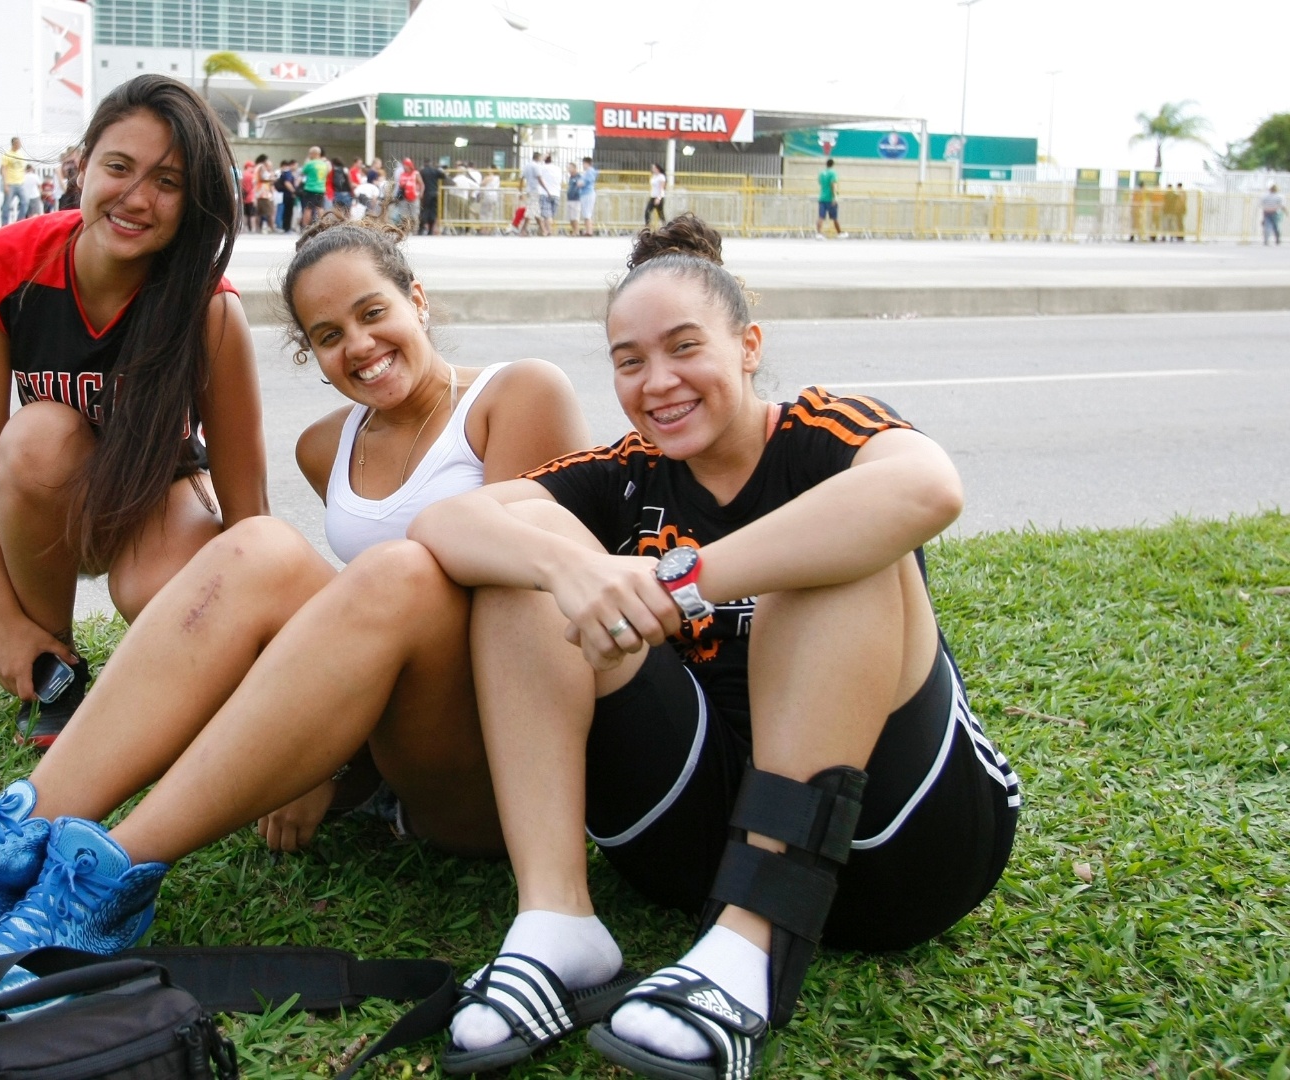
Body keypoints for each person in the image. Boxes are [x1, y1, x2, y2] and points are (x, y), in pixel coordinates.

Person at [0, 211, 591, 1019]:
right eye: (328, 335)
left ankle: (102, 891)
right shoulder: (329, 444)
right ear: (311, 358)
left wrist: (319, 755)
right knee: (259, 546)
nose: (358, 346)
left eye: (371, 312)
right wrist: (321, 753)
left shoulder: (518, 393)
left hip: (498, 764)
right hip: (396, 740)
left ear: (417, 299)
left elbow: (523, 606)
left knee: (402, 570)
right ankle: (4, 840)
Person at [413, 214, 1018, 1077]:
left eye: (684, 347)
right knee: (523, 579)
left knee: (832, 569)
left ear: (748, 346)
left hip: (900, 845)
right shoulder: (626, 470)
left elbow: (927, 487)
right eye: (629, 360)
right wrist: (567, 562)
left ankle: (752, 945)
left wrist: (677, 581)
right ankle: (558, 925)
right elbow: (446, 520)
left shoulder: (820, 430)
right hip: (697, 839)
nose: (656, 382)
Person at [0, 74, 268, 750]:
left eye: (169, 183)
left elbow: (249, 512)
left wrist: (259, 654)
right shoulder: (5, 266)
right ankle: (53, 662)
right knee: (36, 436)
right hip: (48, 499)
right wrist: (4, 619)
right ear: (83, 162)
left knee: (155, 590)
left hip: (161, 492)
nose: (136, 197)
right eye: (119, 167)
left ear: (193, 203)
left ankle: (190, 664)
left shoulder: (208, 307)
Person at [299, 145, 330, 229]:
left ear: (313, 153)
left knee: (308, 209)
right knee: (320, 208)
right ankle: (323, 226)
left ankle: (305, 227)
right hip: (321, 188)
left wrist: (307, 161)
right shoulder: (324, 164)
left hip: (310, 188)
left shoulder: (310, 163)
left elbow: (303, 172)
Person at [1, 136, 29, 224]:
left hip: (20, 183)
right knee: (7, 205)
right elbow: (3, 169)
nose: (20, 145)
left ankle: (19, 222)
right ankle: (4, 224)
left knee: (25, 202)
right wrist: (5, 184)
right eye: (19, 143)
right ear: (14, 144)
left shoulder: (20, 154)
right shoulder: (7, 154)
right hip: (10, 183)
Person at [537, 152, 563, 236]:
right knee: (551, 214)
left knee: (546, 215)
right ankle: (548, 230)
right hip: (556, 193)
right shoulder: (558, 169)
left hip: (545, 193)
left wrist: (541, 159)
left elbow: (536, 170)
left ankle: (548, 231)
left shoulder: (542, 167)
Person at [418, 158, 445, 236]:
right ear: (431, 163)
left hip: (426, 194)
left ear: (424, 163)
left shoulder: (422, 171)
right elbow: (443, 176)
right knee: (433, 211)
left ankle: (422, 229)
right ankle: (430, 229)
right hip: (435, 193)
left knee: (425, 211)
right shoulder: (435, 170)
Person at [816, 157, 841, 238]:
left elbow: (819, 182)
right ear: (833, 164)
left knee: (821, 217)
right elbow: (833, 185)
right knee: (834, 217)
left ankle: (819, 233)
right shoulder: (833, 173)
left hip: (822, 197)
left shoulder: (822, 173)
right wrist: (834, 197)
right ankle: (839, 233)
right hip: (830, 198)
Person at [574, 156, 599, 236]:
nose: (583, 166)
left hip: (588, 193)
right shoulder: (587, 172)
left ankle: (589, 231)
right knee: (586, 212)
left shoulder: (590, 171)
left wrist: (579, 183)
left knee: (587, 212)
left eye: (583, 164)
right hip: (585, 193)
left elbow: (584, 182)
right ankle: (588, 230)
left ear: (586, 163)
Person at [255, 153, 276, 233]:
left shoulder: (257, 167)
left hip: (260, 193)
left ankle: (258, 229)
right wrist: (272, 178)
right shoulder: (261, 167)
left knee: (260, 213)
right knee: (269, 212)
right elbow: (262, 178)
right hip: (264, 194)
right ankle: (272, 228)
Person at [645, 162, 668, 226]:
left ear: (657, 169)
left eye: (654, 168)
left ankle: (665, 226)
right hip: (653, 196)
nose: (652, 169)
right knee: (647, 212)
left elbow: (662, 188)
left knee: (660, 214)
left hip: (659, 197)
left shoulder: (661, 177)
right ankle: (647, 227)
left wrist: (659, 198)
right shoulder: (654, 176)